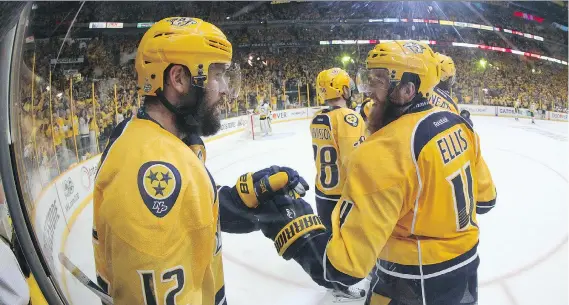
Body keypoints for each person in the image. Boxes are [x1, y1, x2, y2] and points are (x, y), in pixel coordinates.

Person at [252, 40, 497, 305]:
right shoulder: (461, 126)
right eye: (368, 79)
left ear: (406, 89)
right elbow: (486, 201)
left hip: (410, 285)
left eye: (378, 81)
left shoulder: (381, 151)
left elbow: (344, 266)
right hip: (465, 278)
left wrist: (293, 226)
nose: (368, 91)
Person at [93, 17, 308, 305]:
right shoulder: (151, 170)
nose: (224, 89)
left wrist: (240, 200)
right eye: (216, 74)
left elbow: (188, 224)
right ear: (179, 78)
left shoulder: (158, 139)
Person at [310, 68, 367, 302]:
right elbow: (354, 160)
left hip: (323, 192)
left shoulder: (317, 118)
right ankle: (342, 284)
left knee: (331, 241)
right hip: (343, 194)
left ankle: (334, 281)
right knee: (346, 243)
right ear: (342, 89)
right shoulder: (347, 117)